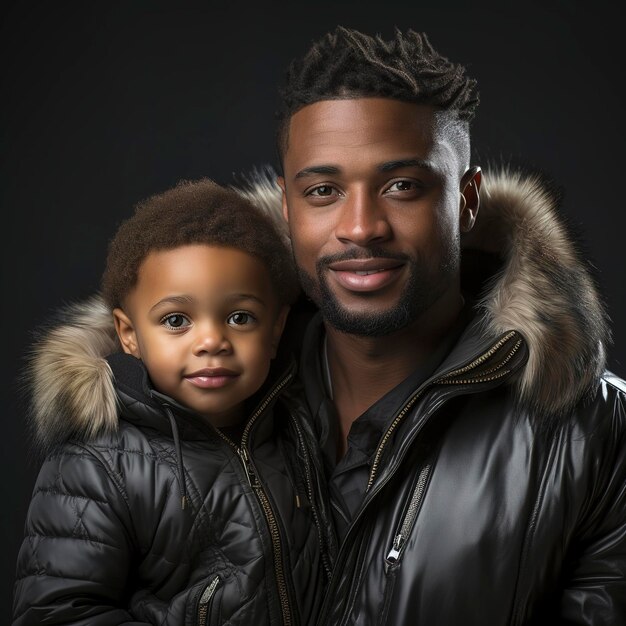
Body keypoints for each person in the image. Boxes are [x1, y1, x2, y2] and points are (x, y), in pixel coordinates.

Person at [265, 25, 625, 624]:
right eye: (324, 190)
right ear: (287, 207)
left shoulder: (599, 437)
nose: (360, 227)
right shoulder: (190, 403)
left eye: (402, 185)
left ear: (468, 199)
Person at [12, 178, 335, 625]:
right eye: (176, 320)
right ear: (129, 335)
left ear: (277, 330)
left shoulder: (297, 425)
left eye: (240, 317)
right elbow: (57, 613)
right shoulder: (98, 466)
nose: (211, 341)